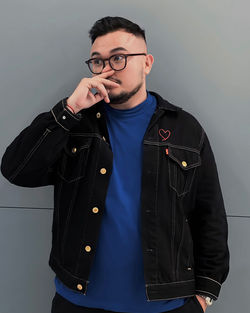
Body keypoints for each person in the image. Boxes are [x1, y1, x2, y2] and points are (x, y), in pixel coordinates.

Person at [0, 16, 229, 313]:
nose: (107, 68)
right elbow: (16, 170)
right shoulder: (75, 124)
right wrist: (69, 109)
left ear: (146, 63)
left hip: (168, 305)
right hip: (78, 304)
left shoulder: (186, 129)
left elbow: (210, 217)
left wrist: (204, 296)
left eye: (119, 58)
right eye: (97, 61)